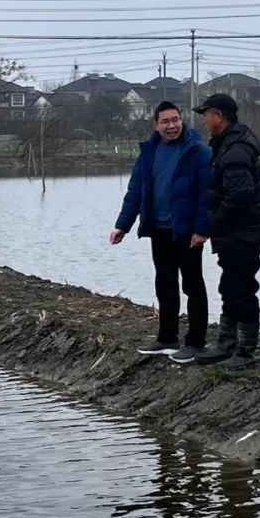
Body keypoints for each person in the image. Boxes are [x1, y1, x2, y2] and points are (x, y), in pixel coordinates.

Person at [110, 100, 211, 363]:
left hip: (187, 231)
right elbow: (135, 192)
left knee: (193, 285)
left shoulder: (198, 152)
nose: (171, 126)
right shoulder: (149, 153)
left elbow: (207, 196)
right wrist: (123, 225)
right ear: (156, 125)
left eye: (175, 120)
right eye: (165, 121)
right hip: (159, 229)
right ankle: (167, 338)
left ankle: (196, 343)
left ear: (182, 120)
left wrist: (201, 230)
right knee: (164, 283)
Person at [192, 93, 260, 368]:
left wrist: (212, 226)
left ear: (220, 116)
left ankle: (245, 351)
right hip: (235, 232)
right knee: (229, 287)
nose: (203, 121)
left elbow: (238, 197)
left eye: (206, 115)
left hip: (243, 232)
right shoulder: (226, 144)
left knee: (242, 289)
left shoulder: (235, 150)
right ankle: (226, 344)